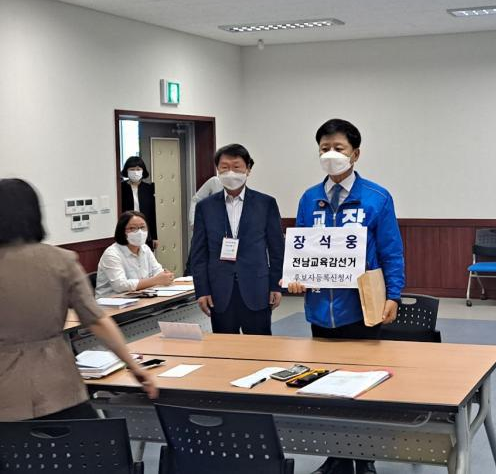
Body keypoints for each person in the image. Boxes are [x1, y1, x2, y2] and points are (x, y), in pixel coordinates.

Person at [287, 119, 405, 474]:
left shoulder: (376, 197)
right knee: (326, 385)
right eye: (324, 148)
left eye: (338, 148)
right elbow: (302, 249)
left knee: (362, 386)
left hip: (362, 307)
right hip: (321, 310)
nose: (330, 154)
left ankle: (364, 459)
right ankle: (336, 456)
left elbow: (392, 251)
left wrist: (394, 295)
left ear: (355, 154)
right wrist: (296, 277)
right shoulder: (310, 198)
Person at [0, 179, 157, 421]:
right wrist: (134, 366)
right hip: (58, 385)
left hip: (6, 396)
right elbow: (96, 320)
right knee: (86, 441)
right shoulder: (60, 261)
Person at [190, 143, 284, 335]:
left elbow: (277, 250)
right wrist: (202, 290)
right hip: (219, 292)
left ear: (248, 169)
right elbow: (198, 254)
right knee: (224, 347)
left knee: (260, 346)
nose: (230, 173)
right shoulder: (205, 207)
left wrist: (276, 285)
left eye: (236, 167)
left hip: (257, 289)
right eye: (224, 167)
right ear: (217, 170)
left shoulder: (266, 203)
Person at [96, 211, 175, 298]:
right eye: (133, 228)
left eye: (142, 227)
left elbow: (158, 272)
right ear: (122, 231)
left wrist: (166, 276)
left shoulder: (145, 248)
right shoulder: (112, 254)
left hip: (141, 297)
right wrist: (156, 280)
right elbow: (120, 286)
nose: (139, 232)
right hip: (112, 302)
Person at [120, 156, 159, 251]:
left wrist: (154, 237)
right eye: (132, 169)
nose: (135, 172)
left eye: (138, 169)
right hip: (127, 229)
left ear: (143, 171)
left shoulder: (148, 188)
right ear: (126, 171)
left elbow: (152, 213)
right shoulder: (121, 188)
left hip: (144, 229)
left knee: (145, 255)